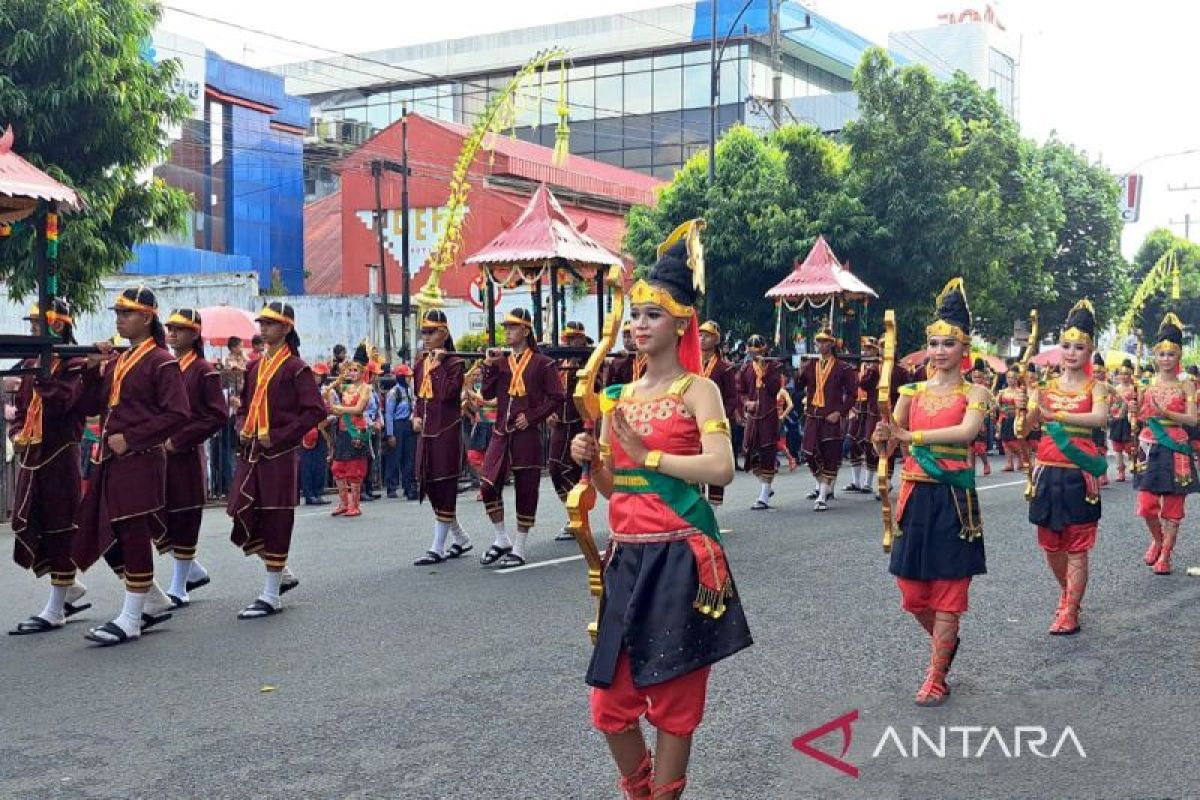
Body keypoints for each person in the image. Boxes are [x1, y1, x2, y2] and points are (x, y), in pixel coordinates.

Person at [569, 219, 751, 799]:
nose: (638, 325)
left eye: (651, 315)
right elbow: (615, 484)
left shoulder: (699, 390)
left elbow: (720, 469)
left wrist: (649, 456)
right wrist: (589, 460)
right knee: (610, 702)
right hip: (628, 559)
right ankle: (642, 788)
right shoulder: (616, 395)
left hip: (680, 557)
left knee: (673, 702)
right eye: (634, 315)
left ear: (681, 322)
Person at [873, 278, 989, 706]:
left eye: (949, 343)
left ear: (964, 349)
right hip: (914, 497)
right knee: (911, 591)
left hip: (954, 500)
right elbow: (889, 440)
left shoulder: (976, 392)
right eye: (935, 343)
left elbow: (966, 432)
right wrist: (882, 436)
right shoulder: (910, 391)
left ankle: (936, 674)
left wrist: (908, 435)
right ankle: (946, 643)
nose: (940, 351)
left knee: (948, 591)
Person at [72, 287, 190, 646]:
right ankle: (151, 600)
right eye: (118, 313)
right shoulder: (119, 360)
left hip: (139, 459)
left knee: (132, 532)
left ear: (147, 317)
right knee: (102, 528)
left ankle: (132, 617)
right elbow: (90, 406)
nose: (119, 319)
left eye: (128, 313)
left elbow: (178, 413)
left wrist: (133, 438)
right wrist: (92, 371)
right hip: (111, 460)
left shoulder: (161, 361)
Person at [227, 302, 327, 618]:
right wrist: (242, 425)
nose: (264, 328)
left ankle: (271, 593)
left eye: (271, 324)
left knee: (275, 517)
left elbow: (315, 411)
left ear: (286, 328)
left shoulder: (296, 368)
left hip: (279, 454)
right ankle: (280, 573)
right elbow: (244, 406)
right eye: (263, 323)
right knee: (239, 510)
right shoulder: (255, 366)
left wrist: (282, 434)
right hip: (252, 451)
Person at [1022, 301, 1109, 635]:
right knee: (1050, 544)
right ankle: (1067, 594)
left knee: (1076, 546)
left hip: (1079, 473)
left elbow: (1099, 418)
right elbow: (1027, 427)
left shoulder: (1096, 387)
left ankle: (1071, 608)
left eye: (1080, 347)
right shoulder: (1045, 386)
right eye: (1067, 346)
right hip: (1046, 470)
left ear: (1090, 349)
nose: (1072, 352)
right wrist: (1027, 406)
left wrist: (1056, 415)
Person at [8, 300, 91, 635]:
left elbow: (64, 403)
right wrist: (16, 434)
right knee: (33, 522)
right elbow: (21, 405)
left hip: (60, 455)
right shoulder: (31, 362)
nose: (31, 331)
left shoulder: (74, 363)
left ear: (58, 327)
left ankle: (57, 607)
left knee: (62, 528)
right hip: (34, 455)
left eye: (37, 326)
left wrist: (44, 378)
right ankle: (68, 588)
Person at [479, 308, 565, 568]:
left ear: (526, 330)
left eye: (513, 327)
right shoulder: (502, 361)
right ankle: (501, 537)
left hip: (526, 435)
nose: (507, 332)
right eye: (505, 327)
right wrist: (489, 366)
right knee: (487, 484)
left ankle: (520, 545)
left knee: (526, 489)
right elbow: (486, 393)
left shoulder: (543, 363)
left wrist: (533, 416)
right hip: (501, 433)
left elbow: (557, 397)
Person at [160, 309, 229, 607]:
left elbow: (216, 415)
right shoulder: (167, 364)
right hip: (160, 453)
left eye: (180, 329)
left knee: (184, 515)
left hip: (184, 453)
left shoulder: (203, 370)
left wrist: (179, 440)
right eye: (170, 328)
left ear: (195, 333)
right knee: (159, 515)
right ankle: (192, 571)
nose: (172, 333)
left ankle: (179, 586)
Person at [1132, 312, 1198, 575]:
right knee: (1147, 506)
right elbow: (1139, 417)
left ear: (1178, 356)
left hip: (1176, 448)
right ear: (1155, 355)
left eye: (1171, 354)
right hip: (1149, 445)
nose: (1166, 359)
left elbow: (1192, 420)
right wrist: (1133, 409)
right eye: (1162, 354)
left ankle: (1166, 554)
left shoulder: (1187, 387)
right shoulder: (1146, 384)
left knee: (1172, 506)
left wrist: (1167, 413)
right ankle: (1158, 540)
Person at [411, 309, 473, 565]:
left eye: (431, 332)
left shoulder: (454, 364)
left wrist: (437, 367)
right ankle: (460, 537)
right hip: (426, 432)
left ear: (444, 334)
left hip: (446, 432)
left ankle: (437, 546)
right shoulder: (419, 363)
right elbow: (420, 397)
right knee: (429, 484)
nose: (425, 337)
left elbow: (448, 394)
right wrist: (415, 415)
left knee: (445, 484)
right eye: (423, 332)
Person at [796, 329, 858, 511]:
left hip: (831, 417)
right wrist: (800, 370)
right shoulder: (811, 365)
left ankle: (823, 494)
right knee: (808, 452)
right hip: (813, 416)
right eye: (818, 342)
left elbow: (852, 394)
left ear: (832, 343)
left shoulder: (843, 367)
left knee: (829, 454)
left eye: (825, 341)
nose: (821, 345)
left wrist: (840, 412)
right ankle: (822, 484)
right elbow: (799, 387)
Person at [549, 321, 591, 541]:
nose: (570, 342)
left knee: (578, 472)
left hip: (580, 422)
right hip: (560, 423)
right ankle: (573, 514)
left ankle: (578, 518)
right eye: (568, 338)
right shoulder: (560, 362)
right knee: (555, 468)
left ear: (583, 339)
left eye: (575, 338)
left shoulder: (591, 362)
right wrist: (550, 411)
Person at [325, 346, 373, 518]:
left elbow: (358, 408)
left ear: (362, 372)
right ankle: (344, 503)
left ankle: (355, 505)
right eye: (350, 370)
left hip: (356, 431)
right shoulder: (346, 388)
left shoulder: (366, 388)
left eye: (355, 370)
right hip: (343, 430)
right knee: (338, 468)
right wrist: (337, 379)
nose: (352, 373)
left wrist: (339, 408)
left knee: (354, 469)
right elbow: (328, 395)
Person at [738, 335, 784, 510]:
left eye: (758, 351)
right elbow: (740, 391)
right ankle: (767, 485)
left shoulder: (775, 367)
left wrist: (764, 372)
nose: (754, 354)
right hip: (752, 416)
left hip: (769, 415)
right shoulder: (745, 369)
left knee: (767, 452)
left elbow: (774, 389)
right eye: (752, 351)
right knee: (748, 452)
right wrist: (746, 402)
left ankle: (764, 494)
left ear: (765, 350)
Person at [699, 320, 738, 506]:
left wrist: (722, 417)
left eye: (706, 336)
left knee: (714, 463)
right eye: (700, 335)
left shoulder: (725, 368)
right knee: (694, 463)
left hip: (715, 424)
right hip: (693, 422)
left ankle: (713, 507)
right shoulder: (691, 364)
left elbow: (731, 398)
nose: (701, 339)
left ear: (716, 340)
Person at [846, 337, 881, 493]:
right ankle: (856, 481)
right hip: (857, 406)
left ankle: (868, 482)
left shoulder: (878, 368)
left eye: (870, 349)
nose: (866, 351)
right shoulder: (859, 366)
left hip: (871, 407)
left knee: (869, 443)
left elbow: (866, 384)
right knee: (852, 443)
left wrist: (872, 368)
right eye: (865, 349)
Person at [300, 362, 333, 505]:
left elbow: (332, 407)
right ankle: (309, 494)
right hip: (309, 429)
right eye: (314, 374)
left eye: (318, 375)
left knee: (320, 462)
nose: (315, 377)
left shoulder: (327, 391)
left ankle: (318, 491)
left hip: (323, 428)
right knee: (308, 463)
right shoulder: (304, 390)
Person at [385, 364, 418, 500]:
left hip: (409, 425)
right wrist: (390, 433)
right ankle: (391, 487)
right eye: (407, 376)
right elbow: (389, 414)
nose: (409, 379)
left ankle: (408, 485)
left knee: (409, 457)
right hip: (397, 425)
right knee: (395, 456)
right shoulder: (394, 393)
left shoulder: (410, 391)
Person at [1108, 359, 1136, 481]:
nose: (1124, 377)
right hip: (1116, 420)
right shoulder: (1116, 389)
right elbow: (1109, 403)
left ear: (1131, 375)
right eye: (1122, 374)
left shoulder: (1134, 388)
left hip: (1129, 421)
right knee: (1117, 448)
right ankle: (1120, 471)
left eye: (1127, 374)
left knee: (1130, 447)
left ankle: (1134, 463)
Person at [968, 359, 994, 477]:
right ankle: (971, 469)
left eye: (979, 377)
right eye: (974, 377)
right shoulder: (968, 389)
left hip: (982, 418)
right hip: (969, 417)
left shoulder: (986, 390)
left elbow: (994, 405)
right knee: (970, 446)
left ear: (983, 378)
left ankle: (986, 463)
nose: (976, 379)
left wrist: (983, 414)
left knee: (979, 447)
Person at [996, 368, 1024, 472]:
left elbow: (1024, 406)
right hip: (1003, 418)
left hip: (1015, 418)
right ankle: (1009, 463)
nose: (1010, 380)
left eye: (1013, 377)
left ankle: (1021, 459)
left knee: (1014, 441)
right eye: (1008, 377)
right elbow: (996, 404)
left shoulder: (1020, 391)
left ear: (1017, 378)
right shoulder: (1002, 392)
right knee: (1005, 441)